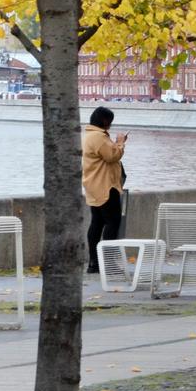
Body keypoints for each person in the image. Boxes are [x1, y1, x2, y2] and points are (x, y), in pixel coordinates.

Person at [82, 107, 127, 273]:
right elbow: (112, 156)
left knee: (97, 223)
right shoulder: (99, 137)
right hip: (106, 186)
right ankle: (108, 263)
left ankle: (94, 263)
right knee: (112, 222)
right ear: (105, 121)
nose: (110, 125)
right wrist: (120, 142)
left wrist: (114, 144)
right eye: (110, 121)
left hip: (93, 185)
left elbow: (106, 154)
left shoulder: (89, 135)